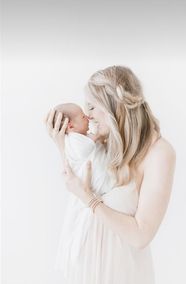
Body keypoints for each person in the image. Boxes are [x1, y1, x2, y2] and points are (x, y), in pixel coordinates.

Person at [44, 65, 176, 284]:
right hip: (84, 272)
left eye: (92, 107)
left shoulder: (160, 153)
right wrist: (61, 143)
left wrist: (90, 200)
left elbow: (140, 235)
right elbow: (74, 179)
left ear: (113, 107)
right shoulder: (102, 141)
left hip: (123, 274)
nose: (88, 115)